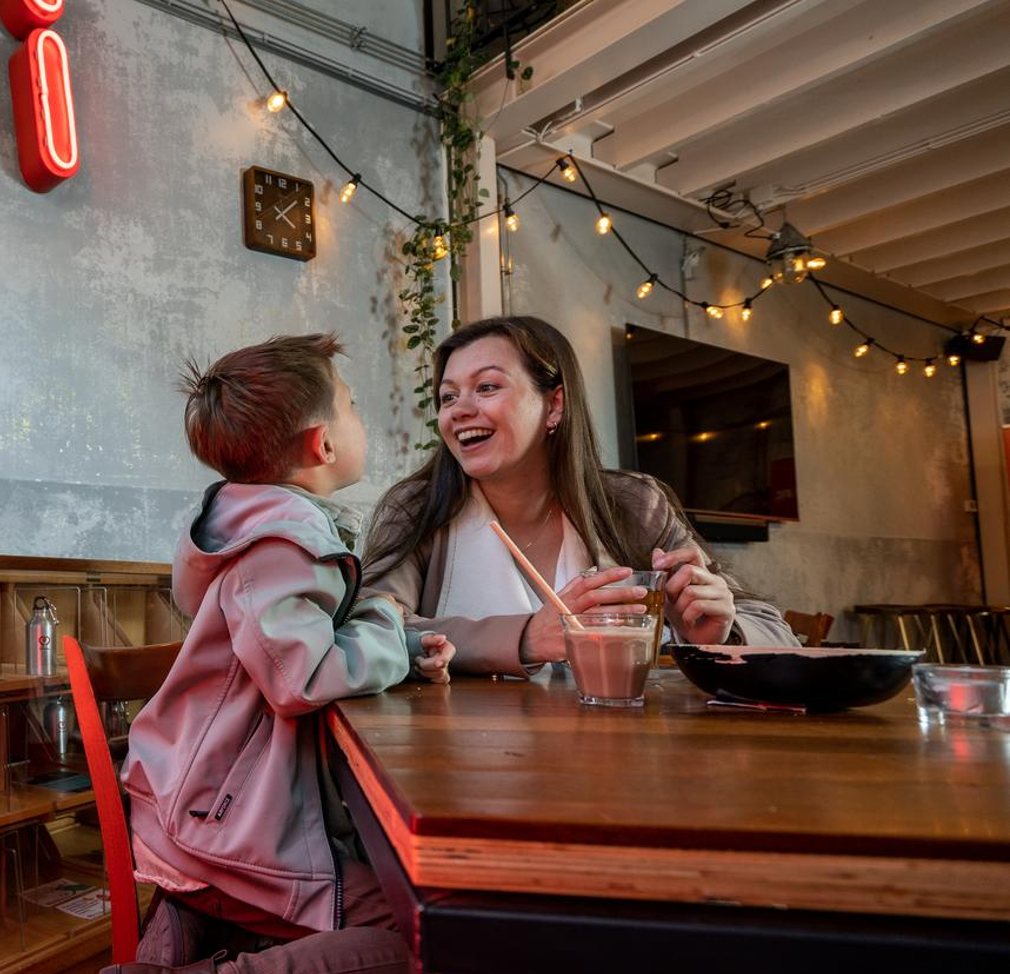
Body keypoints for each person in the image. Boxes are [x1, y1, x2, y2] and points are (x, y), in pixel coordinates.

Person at [110, 334, 451, 974]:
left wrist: (399, 648)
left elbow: (298, 644)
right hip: (215, 825)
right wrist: (384, 614)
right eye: (350, 406)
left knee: (421, 898)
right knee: (433, 929)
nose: (359, 420)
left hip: (213, 805)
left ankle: (202, 934)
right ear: (322, 444)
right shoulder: (279, 544)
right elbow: (303, 675)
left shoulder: (266, 531)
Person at [362, 315, 796, 679]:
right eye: (448, 396)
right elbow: (369, 628)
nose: (459, 410)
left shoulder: (632, 504)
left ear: (554, 406)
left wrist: (720, 633)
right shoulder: (417, 508)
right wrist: (527, 637)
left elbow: (776, 631)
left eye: (487, 387)